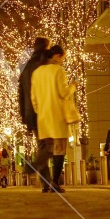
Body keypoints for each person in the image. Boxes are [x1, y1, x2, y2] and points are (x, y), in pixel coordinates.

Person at [30, 44, 76, 194]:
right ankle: (54, 182)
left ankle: (46, 181)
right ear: (57, 56)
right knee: (59, 151)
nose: (63, 61)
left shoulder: (37, 73)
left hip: (43, 117)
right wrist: (73, 87)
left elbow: (34, 98)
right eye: (63, 58)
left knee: (46, 150)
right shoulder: (58, 71)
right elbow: (63, 93)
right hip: (58, 116)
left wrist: (40, 111)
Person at [18, 37, 50, 132]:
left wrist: (24, 115)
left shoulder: (26, 66)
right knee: (49, 144)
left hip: (30, 113)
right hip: (46, 112)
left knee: (42, 144)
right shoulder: (46, 63)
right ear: (47, 47)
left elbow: (21, 93)